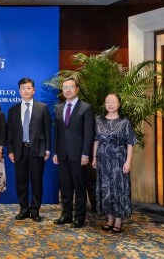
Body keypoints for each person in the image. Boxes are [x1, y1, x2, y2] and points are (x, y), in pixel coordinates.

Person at [7, 78, 52, 222]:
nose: (25, 91)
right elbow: (10, 132)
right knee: (21, 182)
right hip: (19, 150)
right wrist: (10, 150)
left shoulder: (42, 107)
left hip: (37, 150)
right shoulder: (13, 110)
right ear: (19, 91)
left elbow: (47, 130)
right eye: (22, 88)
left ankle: (35, 210)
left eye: (28, 88)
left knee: (37, 181)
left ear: (33, 90)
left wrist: (47, 149)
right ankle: (24, 209)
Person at [53, 77, 94, 228]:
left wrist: (86, 153)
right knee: (65, 186)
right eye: (65, 87)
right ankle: (66, 214)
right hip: (62, 153)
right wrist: (56, 152)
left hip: (79, 155)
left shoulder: (86, 108)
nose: (68, 90)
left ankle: (80, 217)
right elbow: (57, 133)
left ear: (77, 89)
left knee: (79, 186)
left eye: (71, 87)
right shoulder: (58, 108)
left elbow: (89, 133)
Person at [92, 93, 137, 233]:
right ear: (105, 104)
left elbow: (130, 143)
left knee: (119, 189)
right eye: (108, 102)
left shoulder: (125, 122)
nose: (110, 104)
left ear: (119, 104)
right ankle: (109, 218)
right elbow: (96, 140)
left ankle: (118, 220)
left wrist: (128, 161)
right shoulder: (98, 120)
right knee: (105, 188)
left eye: (113, 101)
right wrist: (94, 157)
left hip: (119, 159)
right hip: (102, 159)